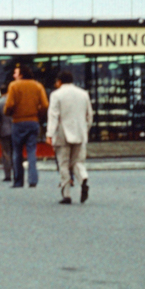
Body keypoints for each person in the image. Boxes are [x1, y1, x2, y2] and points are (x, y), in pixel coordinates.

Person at [47, 69, 94, 204]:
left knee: (64, 163)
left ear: (59, 81)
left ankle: (66, 193)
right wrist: (86, 129)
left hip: (63, 133)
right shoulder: (83, 94)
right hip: (80, 132)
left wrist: (50, 134)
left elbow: (53, 116)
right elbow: (89, 115)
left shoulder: (56, 95)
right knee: (78, 161)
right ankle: (83, 177)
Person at [4, 63, 48, 189]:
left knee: (17, 152)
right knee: (31, 151)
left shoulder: (13, 86)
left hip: (18, 121)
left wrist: (8, 113)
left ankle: (18, 181)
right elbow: (45, 104)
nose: (13, 75)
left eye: (15, 73)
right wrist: (38, 114)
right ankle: (33, 180)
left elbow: (10, 104)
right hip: (33, 121)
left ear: (21, 75)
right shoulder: (38, 86)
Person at [0, 82, 15, 181]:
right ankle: (17, 173)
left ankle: (7, 175)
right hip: (15, 129)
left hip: (3, 130)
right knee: (15, 152)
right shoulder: (14, 101)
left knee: (6, 153)